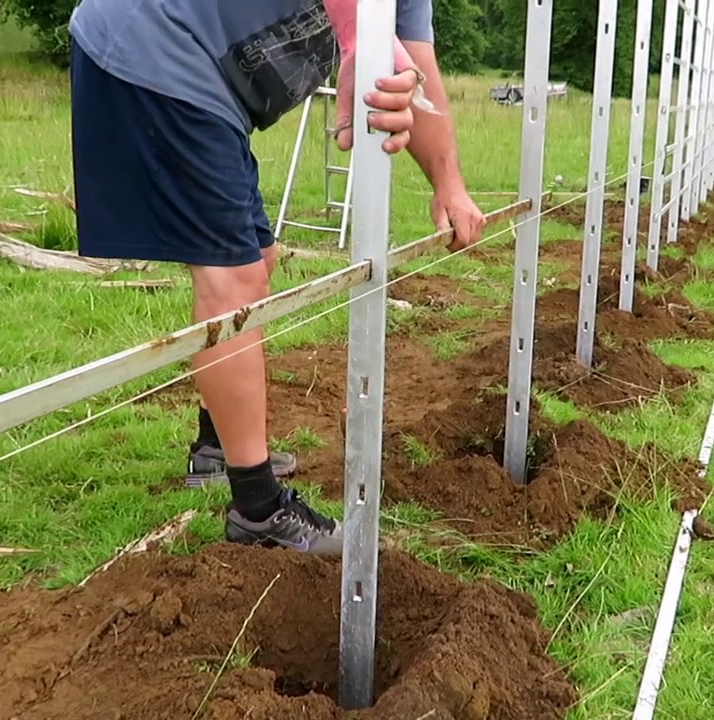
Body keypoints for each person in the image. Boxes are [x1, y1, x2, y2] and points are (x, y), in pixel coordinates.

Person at [67, 0, 486, 556]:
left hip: (210, 86)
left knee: (256, 263)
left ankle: (216, 449)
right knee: (231, 281)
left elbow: (421, 70)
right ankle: (258, 510)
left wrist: (449, 184)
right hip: (156, 46)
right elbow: (362, 27)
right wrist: (359, 39)